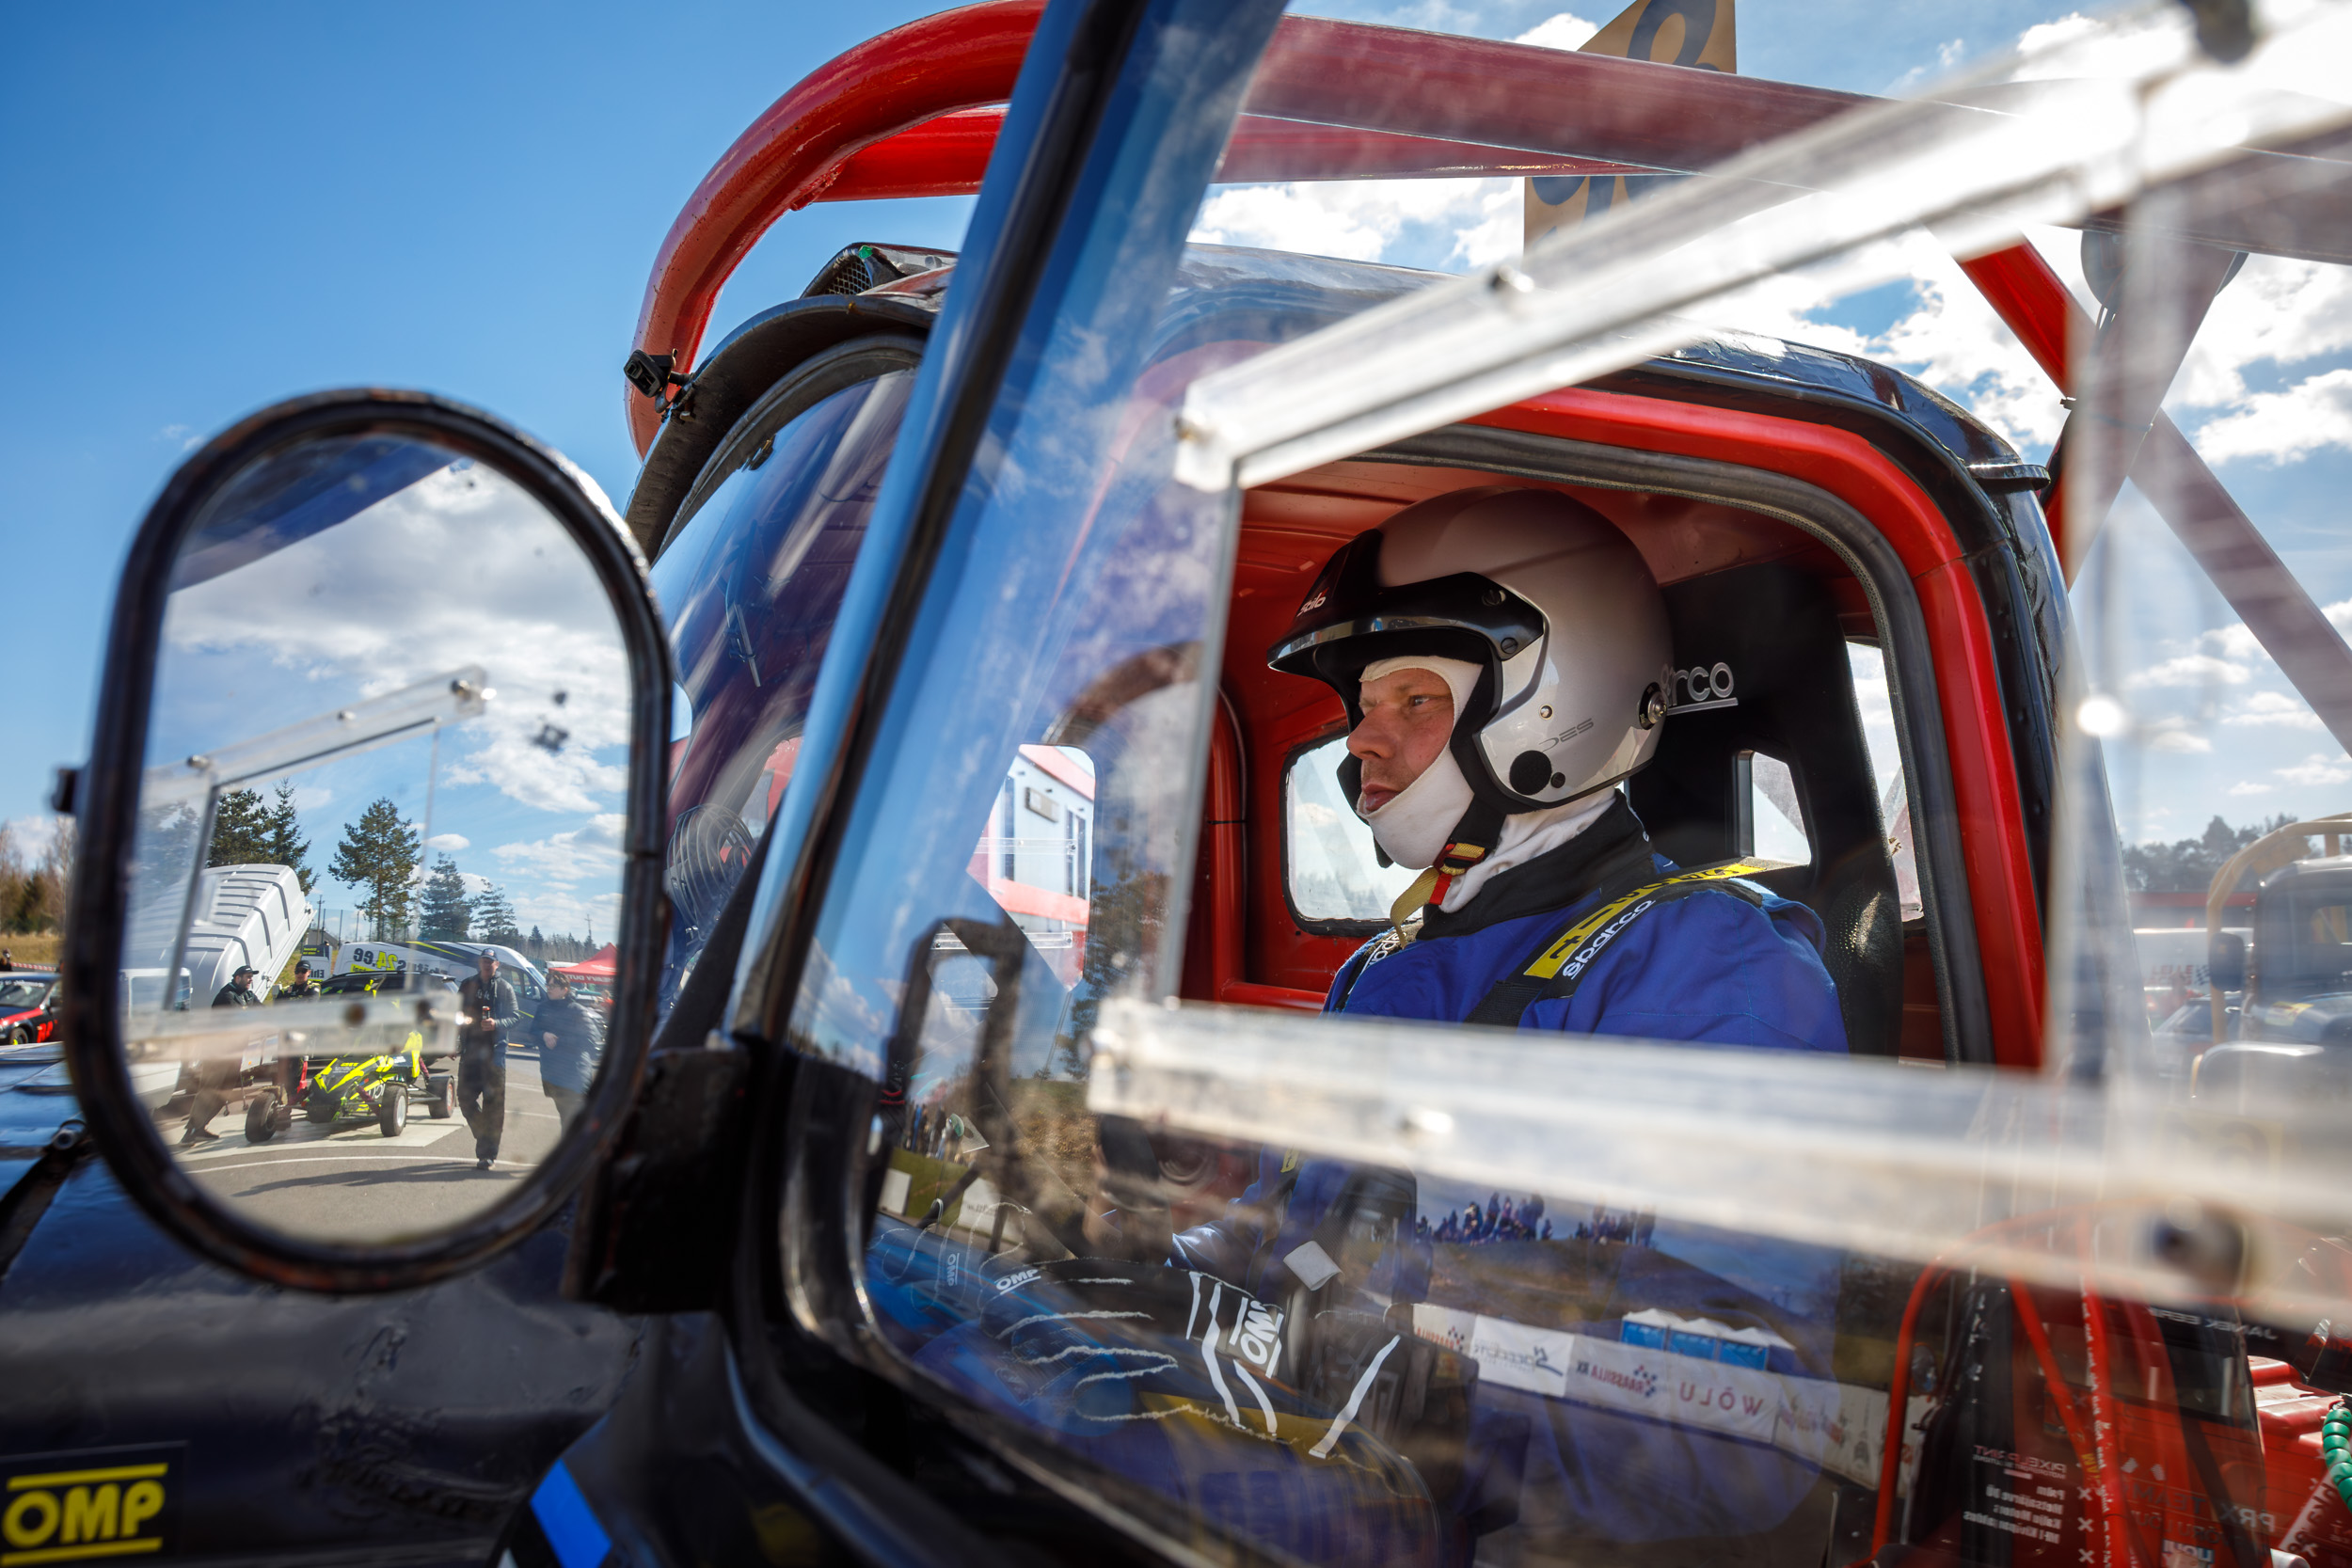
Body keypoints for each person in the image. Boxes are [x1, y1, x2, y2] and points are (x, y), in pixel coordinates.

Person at [1166, 487, 1850, 1550]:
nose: (1360, 743)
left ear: (1554, 705)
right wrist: (1163, 1263)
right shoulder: (1381, 968)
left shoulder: (1713, 971)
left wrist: (1423, 1405)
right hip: (1308, 1472)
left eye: (1413, 699)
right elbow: (1299, 1239)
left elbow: (1728, 1432)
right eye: (1362, 706)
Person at [181, 964, 261, 1146]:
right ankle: (190, 1131)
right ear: (237, 978)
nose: (250, 979)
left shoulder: (248, 995)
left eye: (251, 976)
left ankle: (200, 1128)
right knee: (209, 1090)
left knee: (223, 1092)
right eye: (247, 976)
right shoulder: (227, 996)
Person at [456, 950, 516, 1170]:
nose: (486, 964)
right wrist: (454, 1041)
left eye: (490, 961)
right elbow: (455, 1014)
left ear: (497, 964)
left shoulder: (505, 988)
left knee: (494, 1108)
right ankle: (484, 1135)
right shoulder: (467, 984)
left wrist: (496, 1024)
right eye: (484, 960)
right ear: (479, 962)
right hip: (471, 1053)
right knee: (464, 1098)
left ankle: (487, 1155)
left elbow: (515, 1017)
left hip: (495, 1055)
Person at [535, 970, 603, 1132]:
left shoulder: (577, 1010)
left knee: (572, 1123)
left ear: (564, 989)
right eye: (547, 985)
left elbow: (590, 1040)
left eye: (553, 986)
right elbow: (532, 1032)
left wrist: (559, 1041)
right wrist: (543, 1035)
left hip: (574, 1077)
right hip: (553, 1076)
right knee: (565, 1119)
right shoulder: (543, 1008)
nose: (548, 988)